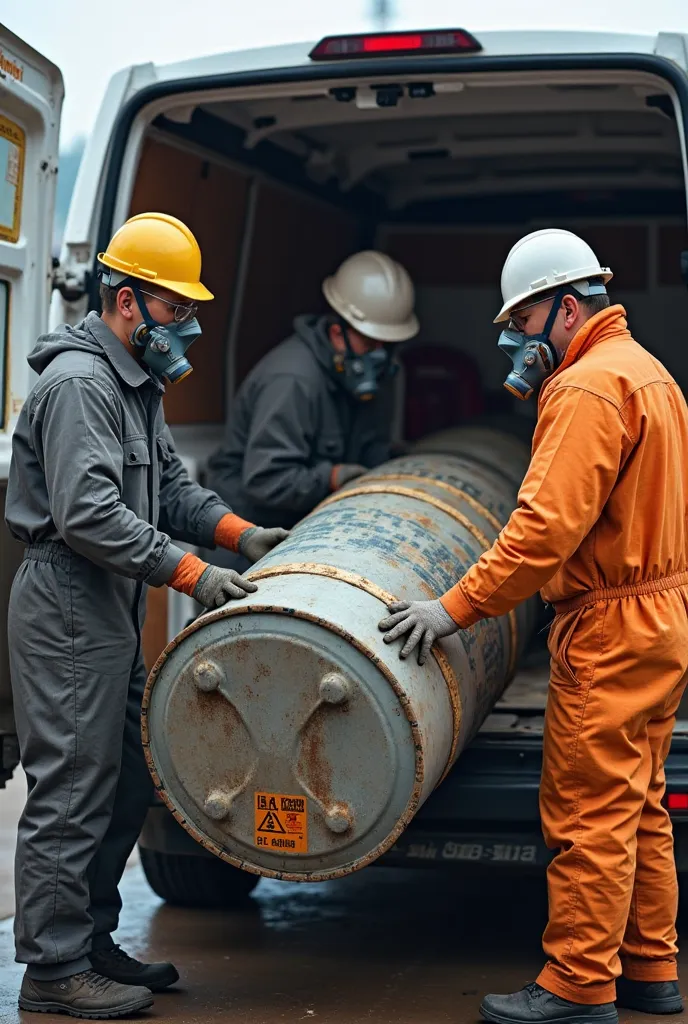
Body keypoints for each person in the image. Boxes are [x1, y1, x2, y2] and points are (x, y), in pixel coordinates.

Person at [379, 228, 688, 1024]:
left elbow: (539, 532)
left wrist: (450, 609)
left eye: (521, 321)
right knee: (640, 802)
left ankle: (580, 984)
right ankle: (652, 969)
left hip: (609, 624)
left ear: (566, 306)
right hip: (662, 616)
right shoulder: (650, 375)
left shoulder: (586, 389)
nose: (515, 339)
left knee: (588, 809)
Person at [5, 212, 287, 1019]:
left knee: (128, 778)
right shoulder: (80, 386)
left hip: (109, 603)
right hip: (68, 599)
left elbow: (171, 488)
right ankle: (54, 968)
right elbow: (90, 515)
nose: (187, 326)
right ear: (127, 302)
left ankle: (89, 943)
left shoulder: (137, 386)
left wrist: (240, 534)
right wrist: (195, 575)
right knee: (70, 786)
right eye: (175, 310)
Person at [206, 250, 419, 568]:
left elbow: (372, 448)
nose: (381, 356)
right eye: (372, 344)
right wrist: (333, 477)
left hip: (308, 532)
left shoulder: (371, 376)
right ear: (337, 333)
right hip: (249, 542)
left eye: (389, 345)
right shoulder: (292, 380)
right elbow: (266, 479)